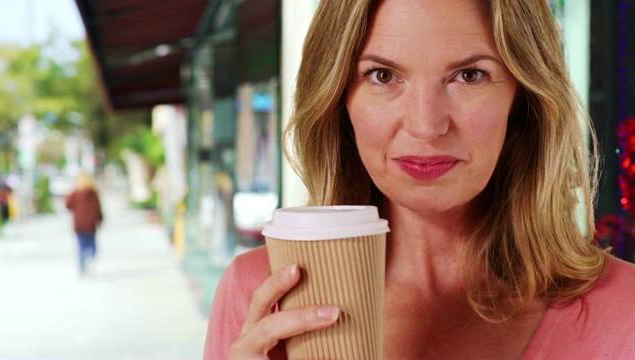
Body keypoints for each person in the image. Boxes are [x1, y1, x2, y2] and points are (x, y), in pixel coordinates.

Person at [204, 0, 635, 358]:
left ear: (521, 97)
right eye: (383, 76)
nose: (427, 126)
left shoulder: (624, 312)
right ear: (339, 99)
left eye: (468, 75)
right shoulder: (256, 295)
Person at [66, 172, 103, 275]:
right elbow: (98, 208)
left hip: (79, 224)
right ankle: (90, 259)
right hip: (91, 224)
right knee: (91, 243)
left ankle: (82, 265)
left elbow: (67, 204)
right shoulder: (93, 193)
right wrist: (100, 219)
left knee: (81, 245)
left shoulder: (75, 193)